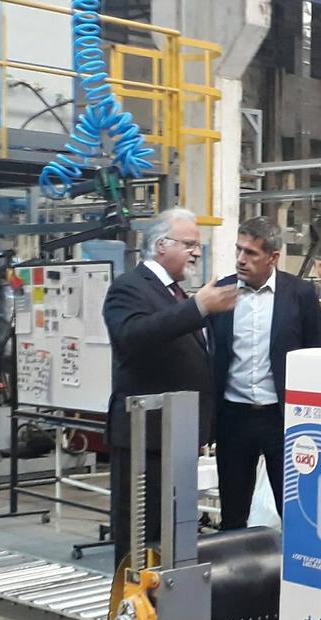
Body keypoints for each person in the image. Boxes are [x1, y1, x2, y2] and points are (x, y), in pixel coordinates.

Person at [102, 208, 239, 567]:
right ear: (161, 245)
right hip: (144, 439)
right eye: (189, 244)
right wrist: (198, 307)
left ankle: (168, 597)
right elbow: (132, 335)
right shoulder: (129, 287)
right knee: (139, 535)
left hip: (178, 436)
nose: (196, 252)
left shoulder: (175, 294)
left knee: (172, 534)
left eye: (197, 245)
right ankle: (132, 598)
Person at [208, 216, 321, 530]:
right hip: (233, 417)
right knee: (233, 513)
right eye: (238, 250)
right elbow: (210, 356)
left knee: (295, 511)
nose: (240, 259)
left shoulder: (300, 294)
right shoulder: (221, 293)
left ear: (273, 257)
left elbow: (317, 353)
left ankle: (295, 561)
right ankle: (234, 561)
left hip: (283, 419)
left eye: (251, 253)